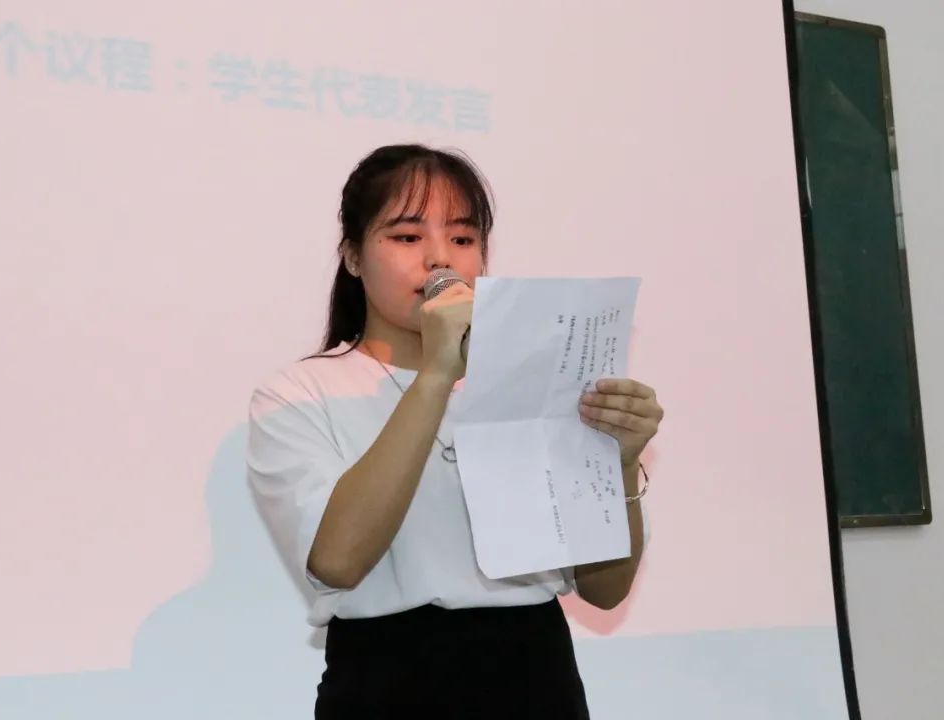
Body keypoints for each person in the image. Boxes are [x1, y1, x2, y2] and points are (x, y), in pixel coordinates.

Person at [245, 144, 664, 718]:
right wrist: (438, 371)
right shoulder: (301, 393)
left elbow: (605, 589)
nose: (440, 258)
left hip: (535, 677)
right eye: (407, 236)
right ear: (353, 256)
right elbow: (337, 561)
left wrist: (620, 463)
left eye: (463, 239)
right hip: (386, 682)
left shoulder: (539, 384)